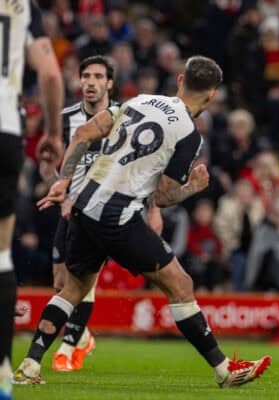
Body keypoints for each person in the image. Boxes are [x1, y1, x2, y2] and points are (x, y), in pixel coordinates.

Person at [13, 55, 270, 387]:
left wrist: (64, 180)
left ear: (180, 80)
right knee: (181, 284)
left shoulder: (139, 100)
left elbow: (83, 135)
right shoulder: (189, 134)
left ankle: (30, 364)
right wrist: (194, 187)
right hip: (117, 215)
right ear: (211, 96)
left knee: (75, 288)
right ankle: (224, 370)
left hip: (85, 204)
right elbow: (161, 196)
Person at [47, 55, 163, 373]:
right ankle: (82, 336)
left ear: (109, 83)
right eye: (86, 76)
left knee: (86, 280)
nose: (90, 82)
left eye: (98, 76)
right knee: (61, 283)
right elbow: (51, 159)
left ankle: (67, 347)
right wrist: (59, 188)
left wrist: (154, 210)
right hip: (69, 210)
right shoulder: (65, 117)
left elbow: (144, 166)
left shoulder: (127, 117)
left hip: (110, 210)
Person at [0, 1, 64, 399]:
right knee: (1, 255)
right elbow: (52, 75)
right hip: (5, 129)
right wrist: (53, 133)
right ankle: (4, 369)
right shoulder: (21, 4)